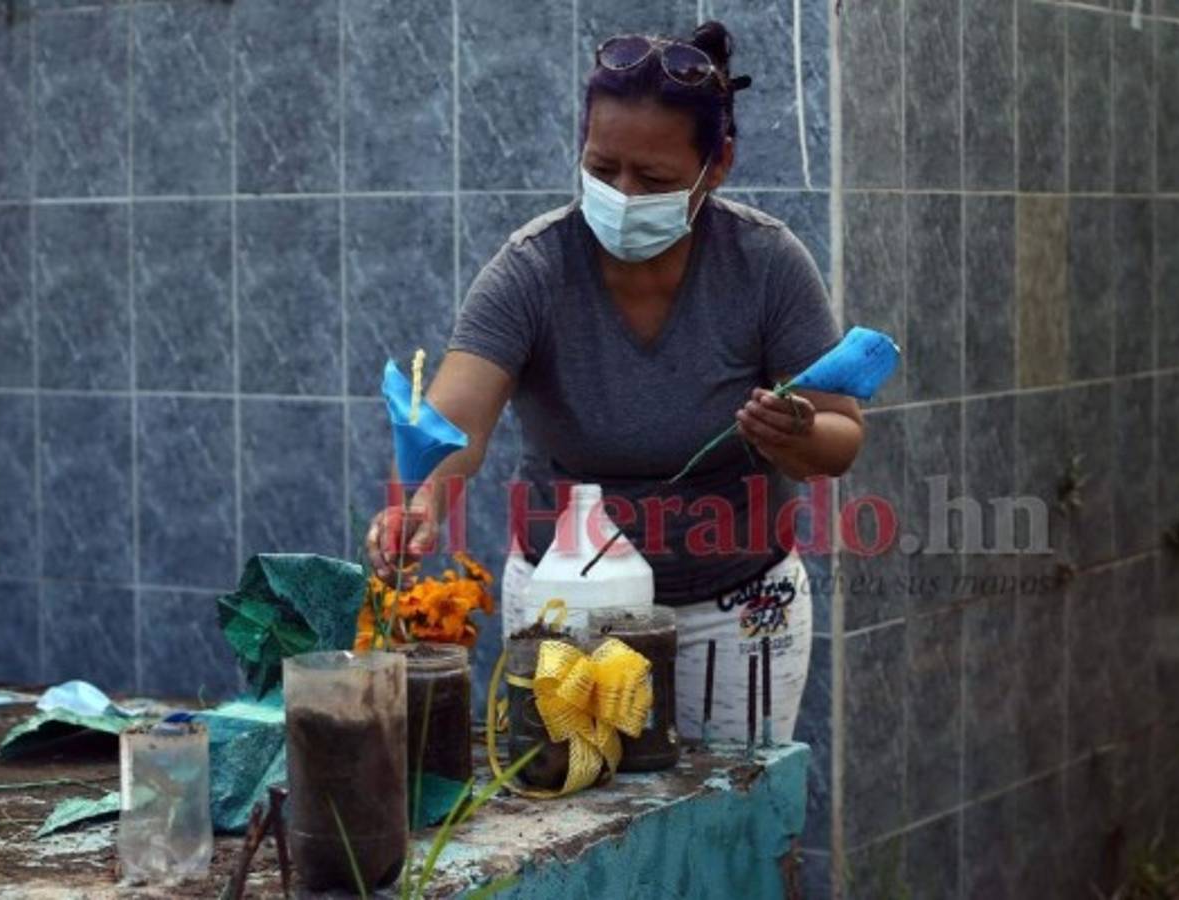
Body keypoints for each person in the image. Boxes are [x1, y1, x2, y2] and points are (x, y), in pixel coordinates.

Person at [366, 21, 863, 743]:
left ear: (716, 165)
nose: (623, 195)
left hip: (734, 609)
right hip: (564, 613)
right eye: (602, 170)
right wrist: (420, 501)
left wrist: (797, 435)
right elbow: (453, 424)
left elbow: (840, 438)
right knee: (569, 813)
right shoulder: (532, 269)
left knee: (732, 831)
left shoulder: (765, 265)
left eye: (653, 179)